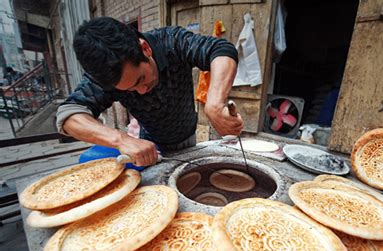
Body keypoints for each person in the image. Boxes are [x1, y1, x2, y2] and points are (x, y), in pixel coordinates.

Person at [56, 17, 244, 167]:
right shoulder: (107, 74)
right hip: (149, 145)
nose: (142, 91)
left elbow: (220, 49)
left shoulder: (171, 41)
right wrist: (121, 139)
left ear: (145, 49)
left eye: (141, 80)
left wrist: (215, 104)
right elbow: (68, 115)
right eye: (130, 89)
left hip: (186, 136)